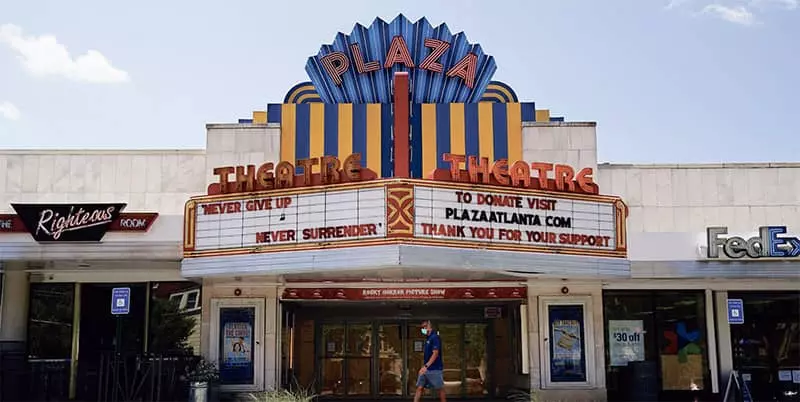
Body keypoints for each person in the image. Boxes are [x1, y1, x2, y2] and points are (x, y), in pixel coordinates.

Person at [414, 320, 446, 402]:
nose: (423, 329)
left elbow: (435, 353)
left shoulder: (435, 337)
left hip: (435, 369)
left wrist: (426, 366)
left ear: (429, 326)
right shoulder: (427, 338)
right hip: (425, 369)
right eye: (422, 327)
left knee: (440, 389)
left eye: (424, 327)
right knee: (419, 388)